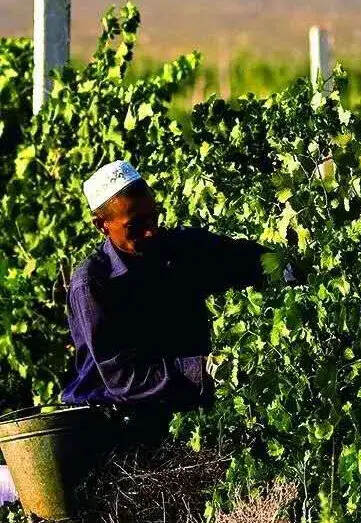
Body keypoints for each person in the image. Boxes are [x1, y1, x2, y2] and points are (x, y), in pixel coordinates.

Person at [61, 160, 301, 442]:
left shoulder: (181, 248)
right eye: (135, 226)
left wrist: (289, 269)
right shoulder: (93, 284)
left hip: (173, 410)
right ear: (102, 225)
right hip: (108, 420)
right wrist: (203, 370)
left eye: (153, 217)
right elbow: (123, 380)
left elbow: (246, 261)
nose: (150, 231)